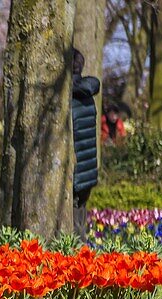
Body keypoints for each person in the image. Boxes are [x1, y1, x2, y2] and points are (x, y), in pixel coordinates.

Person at [70, 48, 100, 239]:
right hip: (88, 166)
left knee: (73, 219)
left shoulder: (68, 95)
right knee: (81, 211)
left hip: (76, 166)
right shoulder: (87, 91)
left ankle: (76, 256)